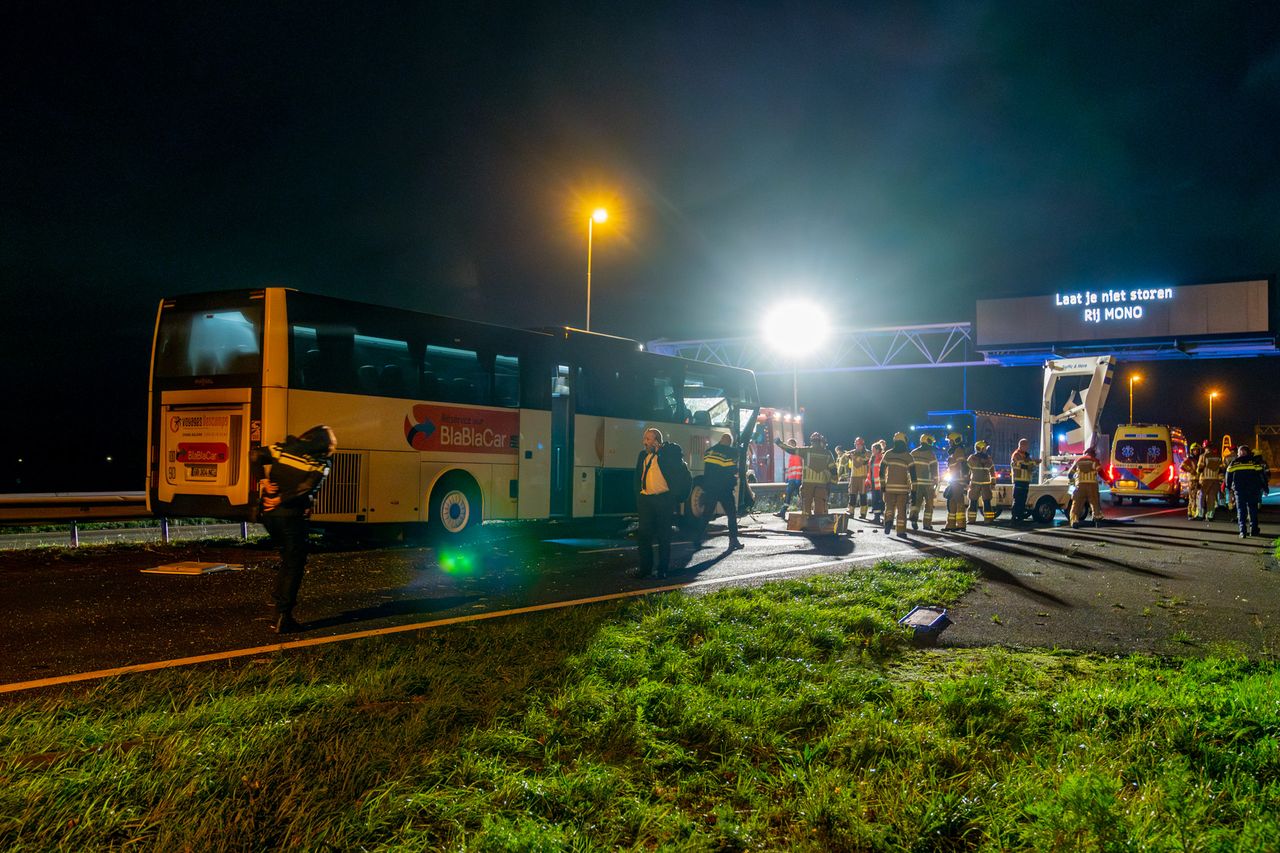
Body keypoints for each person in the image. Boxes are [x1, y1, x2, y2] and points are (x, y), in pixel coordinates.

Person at [250, 425, 337, 634]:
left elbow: (255, 454)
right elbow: (306, 487)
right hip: (291, 516)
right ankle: (284, 616)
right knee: (294, 563)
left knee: (286, 558)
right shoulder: (319, 462)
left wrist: (263, 481)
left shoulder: (283, 449)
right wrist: (282, 499)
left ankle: (278, 607)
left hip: (269, 515)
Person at [634, 427, 688, 578]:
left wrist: (661, 451)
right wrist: (639, 496)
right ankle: (645, 569)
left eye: (648, 439)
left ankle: (662, 570)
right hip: (646, 499)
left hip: (663, 500)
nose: (644, 442)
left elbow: (675, 463)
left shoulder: (666, 455)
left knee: (663, 536)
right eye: (644, 439)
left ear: (656, 441)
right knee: (644, 536)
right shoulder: (642, 456)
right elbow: (637, 477)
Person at [697, 434, 744, 550]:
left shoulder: (710, 451)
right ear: (729, 442)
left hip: (710, 488)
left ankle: (697, 539)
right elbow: (733, 469)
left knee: (706, 514)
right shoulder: (731, 452)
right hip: (724, 489)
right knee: (731, 514)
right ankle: (733, 540)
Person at [774, 432, 837, 516]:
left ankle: (806, 522)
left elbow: (791, 450)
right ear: (820, 441)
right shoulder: (827, 453)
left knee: (806, 509)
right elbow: (833, 469)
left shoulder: (806, 451)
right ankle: (819, 522)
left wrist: (779, 443)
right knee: (820, 510)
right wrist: (833, 481)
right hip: (821, 484)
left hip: (808, 484)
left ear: (811, 441)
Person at [1225, 444, 1268, 539]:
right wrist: (1265, 487)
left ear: (1238, 453)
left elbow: (1228, 476)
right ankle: (1253, 530)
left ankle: (1242, 531)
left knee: (1241, 510)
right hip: (1252, 490)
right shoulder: (1254, 462)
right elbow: (1261, 475)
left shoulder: (1234, 463)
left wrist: (1229, 487)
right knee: (1253, 509)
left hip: (1239, 490)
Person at [881, 432, 915, 536]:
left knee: (889, 507)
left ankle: (888, 521)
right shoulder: (908, 456)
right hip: (902, 489)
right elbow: (913, 475)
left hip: (889, 488)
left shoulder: (888, 454)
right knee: (901, 510)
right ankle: (900, 531)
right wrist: (914, 489)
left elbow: (881, 471)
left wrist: (882, 485)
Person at [1066, 444, 1103, 528]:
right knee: (1095, 503)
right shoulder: (1095, 460)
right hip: (1092, 486)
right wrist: (1109, 481)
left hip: (1080, 486)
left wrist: (1071, 488)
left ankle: (1074, 521)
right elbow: (1101, 472)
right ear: (1093, 454)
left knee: (1076, 504)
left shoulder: (1078, 460)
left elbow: (1070, 475)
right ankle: (1097, 519)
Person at [908, 433, 939, 531]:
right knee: (929, 504)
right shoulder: (931, 454)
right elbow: (934, 469)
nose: (932, 444)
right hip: (928, 484)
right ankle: (927, 524)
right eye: (931, 442)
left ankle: (913, 519)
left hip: (916, 484)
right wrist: (936, 481)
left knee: (915, 503)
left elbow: (909, 468)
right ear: (928, 441)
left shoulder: (913, 452)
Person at [943, 433, 970, 532]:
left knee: (958, 502)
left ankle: (961, 525)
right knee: (952, 501)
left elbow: (963, 465)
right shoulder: (954, 451)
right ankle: (951, 525)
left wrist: (964, 479)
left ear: (955, 441)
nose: (949, 443)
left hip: (958, 480)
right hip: (954, 480)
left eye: (950, 441)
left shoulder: (958, 450)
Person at [1010, 439, 1040, 522]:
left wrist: (1034, 462)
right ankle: (1014, 518)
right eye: (1026, 445)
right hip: (1018, 481)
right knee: (1017, 500)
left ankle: (1020, 517)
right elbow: (1022, 464)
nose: (1027, 447)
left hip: (1026, 481)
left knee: (1023, 500)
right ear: (1021, 445)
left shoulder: (1026, 455)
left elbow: (1030, 464)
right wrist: (1033, 463)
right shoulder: (1016, 454)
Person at [966, 440, 996, 524]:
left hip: (976, 483)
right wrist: (993, 483)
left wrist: (966, 482)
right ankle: (987, 520)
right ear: (982, 448)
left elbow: (967, 471)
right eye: (985, 448)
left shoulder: (972, 458)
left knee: (976, 501)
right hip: (983, 484)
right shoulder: (988, 459)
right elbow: (992, 472)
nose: (986, 450)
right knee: (983, 501)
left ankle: (972, 520)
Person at [844, 437, 872, 519]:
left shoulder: (868, 453)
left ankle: (863, 513)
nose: (857, 446)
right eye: (856, 445)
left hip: (863, 477)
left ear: (863, 445)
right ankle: (851, 511)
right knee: (852, 495)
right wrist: (849, 455)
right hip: (853, 477)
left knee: (863, 495)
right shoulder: (853, 452)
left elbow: (860, 463)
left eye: (859, 445)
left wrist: (854, 457)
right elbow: (845, 455)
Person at [1197, 442, 1224, 521]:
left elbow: (1200, 468)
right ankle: (1210, 515)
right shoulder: (1218, 456)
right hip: (1215, 479)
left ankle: (1200, 514)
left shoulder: (1203, 456)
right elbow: (1221, 468)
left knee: (1201, 496)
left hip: (1205, 479)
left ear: (1204, 447)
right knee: (1211, 497)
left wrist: (1197, 478)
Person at [777, 439, 804, 518]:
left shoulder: (796, 454)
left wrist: (798, 479)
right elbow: (792, 468)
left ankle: (783, 512)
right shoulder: (792, 455)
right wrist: (788, 478)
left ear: (793, 444)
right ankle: (783, 512)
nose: (788, 446)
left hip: (795, 479)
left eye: (789, 444)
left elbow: (799, 467)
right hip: (793, 479)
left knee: (791, 496)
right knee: (791, 496)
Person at [1181, 443, 1204, 519]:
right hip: (1192, 480)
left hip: (1199, 479)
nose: (1196, 451)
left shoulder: (1200, 458)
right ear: (1191, 451)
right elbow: (1182, 466)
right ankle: (1192, 513)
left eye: (1197, 450)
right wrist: (1191, 470)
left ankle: (1193, 512)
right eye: (1194, 450)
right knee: (1192, 497)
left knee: (1197, 497)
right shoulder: (1190, 459)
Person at [867, 440, 887, 524]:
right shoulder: (872, 459)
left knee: (880, 501)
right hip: (873, 483)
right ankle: (876, 518)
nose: (872, 451)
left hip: (880, 484)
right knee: (875, 500)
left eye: (873, 449)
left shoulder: (881, 458)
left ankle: (882, 518)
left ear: (878, 450)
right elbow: (870, 471)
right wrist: (868, 481)